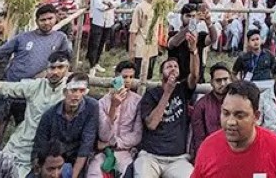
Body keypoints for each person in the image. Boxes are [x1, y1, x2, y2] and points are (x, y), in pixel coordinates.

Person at [0, 4, 71, 127]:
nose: (47, 22)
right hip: (9, 86)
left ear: (56, 19)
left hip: (31, 91)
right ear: (37, 21)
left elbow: (65, 60)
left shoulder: (60, 38)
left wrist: (46, 73)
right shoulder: (23, 37)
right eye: (43, 20)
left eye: (50, 18)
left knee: (24, 126)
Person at [192, 80, 276, 178]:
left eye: (239, 116)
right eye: (226, 113)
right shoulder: (208, 147)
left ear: (256, 116)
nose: (230, 122)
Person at [133, 33, 199, 177]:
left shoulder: (182, 89)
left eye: (176, 66)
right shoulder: (151, 95)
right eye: (169, 66)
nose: (173, 68)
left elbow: (194, 76)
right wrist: (167, 94)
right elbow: (151, 124)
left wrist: (193, 51)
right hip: (150, 157)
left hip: (178, 159)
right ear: (161, 73)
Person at [32, 72, 99, 178]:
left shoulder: (92, 107)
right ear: (65, 92)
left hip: (77, 159)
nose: (76, 95)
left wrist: (74, 175)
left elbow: (86, 143)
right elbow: (40, 144)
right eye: (73, 90)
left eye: (81, 91)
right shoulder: (50, 114)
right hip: (53, 158)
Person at [87, 61, 143, 178]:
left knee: (128, 172)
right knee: (94, 173)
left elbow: (137, 135)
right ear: (116, 78)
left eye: (131, 77)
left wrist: (113, 143)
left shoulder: (138, 101)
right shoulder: (102, 102)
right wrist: (113, 107)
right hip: (103, 153)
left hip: (125, 151)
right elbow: (104, 135)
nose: (127, 81)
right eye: (124, 77)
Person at [191, 63, 231, 155]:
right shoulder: (201, 105)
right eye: (218, 80)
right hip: (212, 152)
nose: (223, 84)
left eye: (225, 79)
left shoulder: (237, 102)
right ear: (211, 82)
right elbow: (199, 139)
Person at [88, 0, 121, 76]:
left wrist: (109, 3)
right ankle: (91, 66)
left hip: (108, 22)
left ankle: (96, 62)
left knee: (102, 43)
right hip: (98, 21)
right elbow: (98, 6)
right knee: (95, 44)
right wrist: (109, 6)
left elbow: (118, 3)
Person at [129, 0, 161, 81]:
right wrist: (131, 50)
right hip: (141, 45)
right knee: (138, 75)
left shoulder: (158, 7)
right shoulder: (140, 7)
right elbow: (133, 30)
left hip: (153, 45)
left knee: (149, 75)